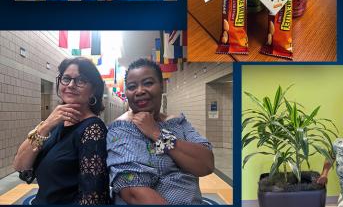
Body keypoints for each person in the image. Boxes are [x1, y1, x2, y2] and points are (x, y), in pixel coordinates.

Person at [107, 58, 214, 204]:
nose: (139, 91)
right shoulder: (121, 129)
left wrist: (158, 134)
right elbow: (133, 192)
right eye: (132, 86)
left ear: (161, 86)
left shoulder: (178, 122)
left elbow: (206, 164)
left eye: (148, 83)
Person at [13, 57, 109, 204]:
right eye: (66, 78)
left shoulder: (93, 130)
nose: (71, 85)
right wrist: (46, 125)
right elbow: (20, 166)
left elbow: (93, 199)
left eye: (81, 80)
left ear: (93, 90)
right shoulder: (57, 124)